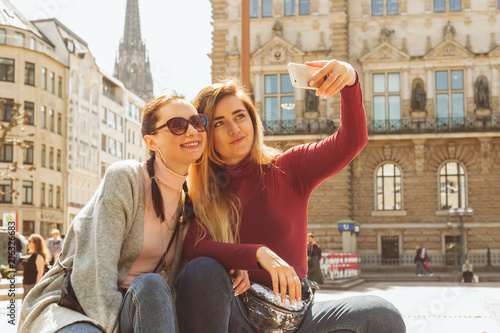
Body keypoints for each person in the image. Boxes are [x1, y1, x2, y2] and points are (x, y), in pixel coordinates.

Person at [176, 60, 406, 332]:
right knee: (201, 271)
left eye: (240, 116)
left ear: (252, 120)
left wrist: (350, 81)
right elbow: (194, 245)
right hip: (238, 315)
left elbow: (352, 140)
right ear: (206, 135)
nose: (234, 129)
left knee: (382, 314)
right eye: (219, 123)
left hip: (297, 317)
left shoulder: (289, 167)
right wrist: (258, 254)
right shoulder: (200, 191)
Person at [18, 92, 208, 333]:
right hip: (78, 307)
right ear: (151, 142)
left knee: (152, 284)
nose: (192, 131)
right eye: (178, 125)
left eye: (198, 122)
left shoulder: (191, 197)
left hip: (140, 309)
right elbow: (97, 271)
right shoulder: (126, 177)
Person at [22, 234, 49, 300]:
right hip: (26, 284)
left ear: (35, 243)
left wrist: (36, 288)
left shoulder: (38, 256)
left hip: (32, 285)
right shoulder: (32, 255)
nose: (27, 243)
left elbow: (40, 272)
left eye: (29, 241)